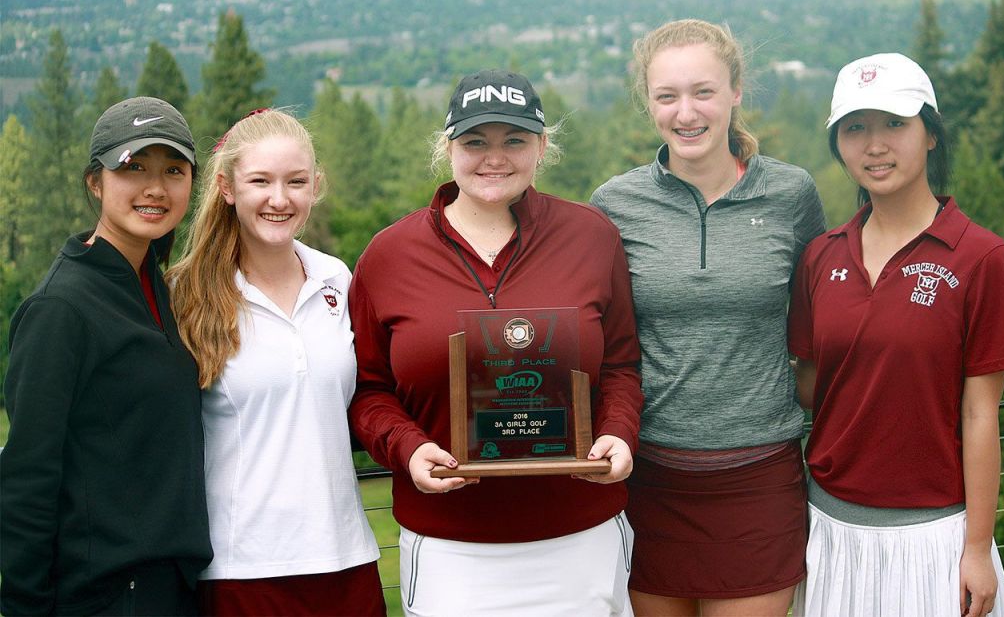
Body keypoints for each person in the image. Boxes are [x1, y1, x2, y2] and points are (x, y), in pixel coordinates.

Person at [348, 69, 643, 616]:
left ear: (542, 146)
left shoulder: (591, 236)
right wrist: (408, 449)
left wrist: (619, 433)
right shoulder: (388, 255)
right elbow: (368, 391)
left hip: (580, 537)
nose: (494, 157)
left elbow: (623, 365)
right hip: (449, 548)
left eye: (514, 140)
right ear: (448, 147)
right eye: (475, 142)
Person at [590, 19, 826, 616]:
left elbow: (825, 325)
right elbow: (598, 338)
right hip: (648, 478)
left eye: (704, 91)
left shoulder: (792, 195)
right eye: (667, 96)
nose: (686, 112)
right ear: (649, 102)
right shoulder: (614, 204)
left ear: (736, 92)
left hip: (760, 478)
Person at [788, 52, 1004, 617]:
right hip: (830, 531)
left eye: (896, 124)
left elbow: (981, 414)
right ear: (839, 145)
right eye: (855, 128)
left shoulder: (982, 256)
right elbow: (810, 385)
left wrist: (976, 549)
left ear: (931, 135)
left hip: (936, 539)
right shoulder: (820, 256)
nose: (875, 145)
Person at [1, 97, 213, 615]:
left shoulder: (155, 286)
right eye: (132, 167)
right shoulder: (60, 309)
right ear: (95, 182)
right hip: (108, 596)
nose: (155, 188)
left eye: (173, 170)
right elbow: (28, 477)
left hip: (173, 587)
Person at [168, 108, 384, 616]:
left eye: (296, 181)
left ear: (316, 186)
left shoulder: (336, 278)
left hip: (347, 557)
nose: (279, 199)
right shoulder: (185, 293)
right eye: (260, 181)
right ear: (226, 188)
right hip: (244, 567)